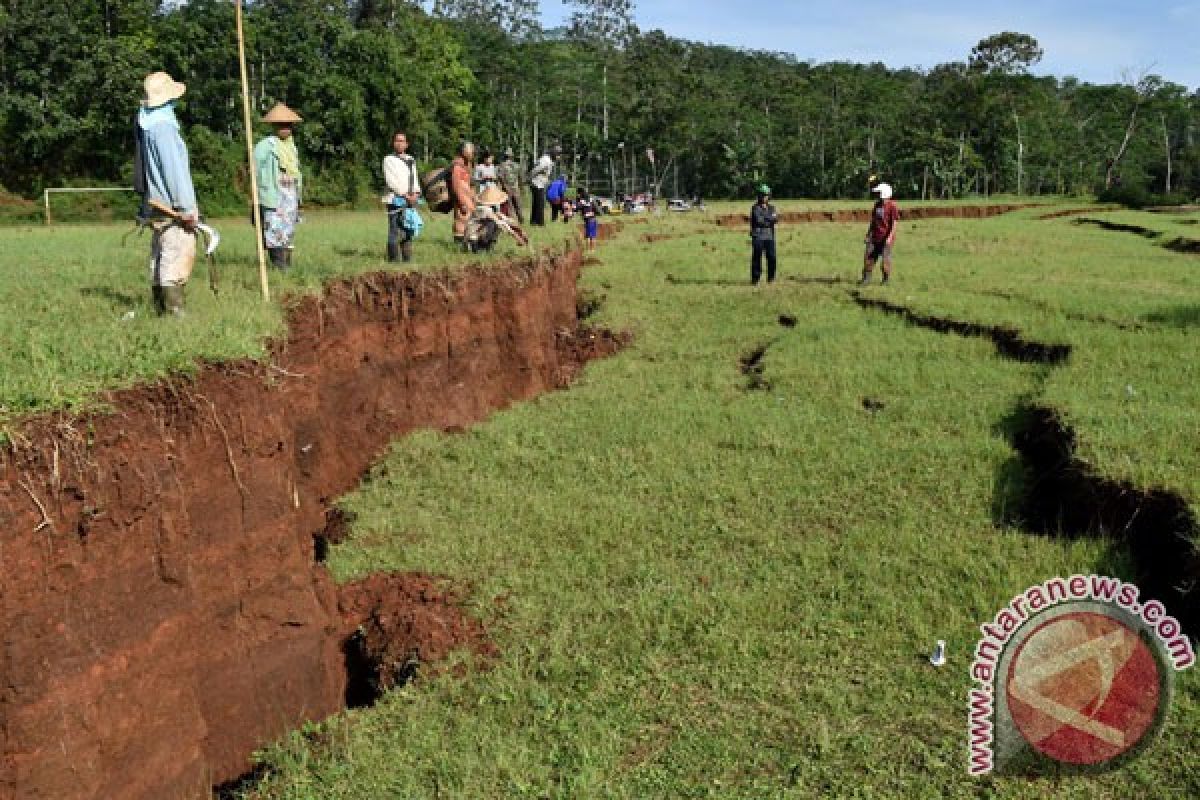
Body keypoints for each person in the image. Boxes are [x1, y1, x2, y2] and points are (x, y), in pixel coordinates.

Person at [135, 71, 199, 316]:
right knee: (175, 258)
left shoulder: (148, 123)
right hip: (172, 207)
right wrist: (186, 209)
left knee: (161, 256)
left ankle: (159, 313)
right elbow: (174, 171)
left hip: (156, 205)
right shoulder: (164, 128)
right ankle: (175, 317)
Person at [254, 103, 304, 270]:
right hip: (273, 195)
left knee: (287, 230)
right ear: (274, 126)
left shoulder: (292, 147)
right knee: (274, 230)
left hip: (290, 195)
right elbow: (255, 169)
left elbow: (296, 172)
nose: (285, 129)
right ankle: (279, 266)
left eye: (288, 125)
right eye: (281, 125)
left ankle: (286, 264)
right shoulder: (266, 145)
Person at [383, 129, 421, 263]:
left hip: (411, 200)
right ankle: (393, 260)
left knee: (408, 229)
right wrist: (404, 194)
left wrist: (416, 194)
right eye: (397, 141)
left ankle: (407, 259)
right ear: (393, 143)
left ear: (407, 144)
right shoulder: (388, 159)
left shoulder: (411, 159)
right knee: (394, 229)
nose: (399, 143)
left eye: (402, 141)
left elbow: (415, 178)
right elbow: (390, 181)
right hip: (395, 199)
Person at [464, 185, 529, 252]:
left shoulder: (492, 209)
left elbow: (506, 219)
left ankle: (487, 246)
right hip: (472, 239)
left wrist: (520, 230)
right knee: (494, 224)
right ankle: (481, 247)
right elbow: (500, 223)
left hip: (479, 235)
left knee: (497, 223)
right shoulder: (483, 209)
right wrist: (516, 236)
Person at [862, 182, 899, 286]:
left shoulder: (892, 206)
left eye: (879, 193)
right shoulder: (877, 204)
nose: (877, 195)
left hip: (886, 239)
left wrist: (890, 237)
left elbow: (894, 223)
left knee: (885, 262)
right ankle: (866, 279)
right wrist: (868, 234)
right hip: (874, 237)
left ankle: (885, 280)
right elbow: (873, 221)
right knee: (868, 258)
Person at [750, 183, 778, 285]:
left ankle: (771, 278)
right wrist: (769, 219)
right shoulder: (755, 208)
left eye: (766, 195)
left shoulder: (772, 208)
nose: (764, 197)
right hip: (758, 235)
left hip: (770, 236)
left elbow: (775, 219)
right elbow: (758, 220)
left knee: (772, 257)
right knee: (757, 258)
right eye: (762, 195)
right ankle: (755, 279)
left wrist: (767, 219)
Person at [450, 141, 477, 246]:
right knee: (461, 220)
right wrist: (462, 203)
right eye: (471, 150)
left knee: (467, 220)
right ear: (464, 151)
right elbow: (456, 186)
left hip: (467, 198)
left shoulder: (467, 165)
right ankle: (458, 246)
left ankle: (465, 243)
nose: (473, 153)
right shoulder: (457, 166)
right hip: (461, 200)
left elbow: (469, 183)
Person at [529, 145, 557, 226]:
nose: (558, 157)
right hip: (537, 183)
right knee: (540, 204)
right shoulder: (546, 160)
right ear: (553, 154)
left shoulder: (547, 160)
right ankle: (540, 222)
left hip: (539, 183)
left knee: (536, 203)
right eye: (557, 155)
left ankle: (533, 221)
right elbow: (536, 169)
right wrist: (530, 177)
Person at [497, 147, 524, 224]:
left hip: (507, 188)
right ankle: (521, 220)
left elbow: (501, 178)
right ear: (511, 156)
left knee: (509, 206)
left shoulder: (501, 166)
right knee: (518, 205)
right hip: (515, 187)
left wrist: (504, 187)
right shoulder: (516, 165)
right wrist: (521, 188)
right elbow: (520, 177)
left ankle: (512, 222)